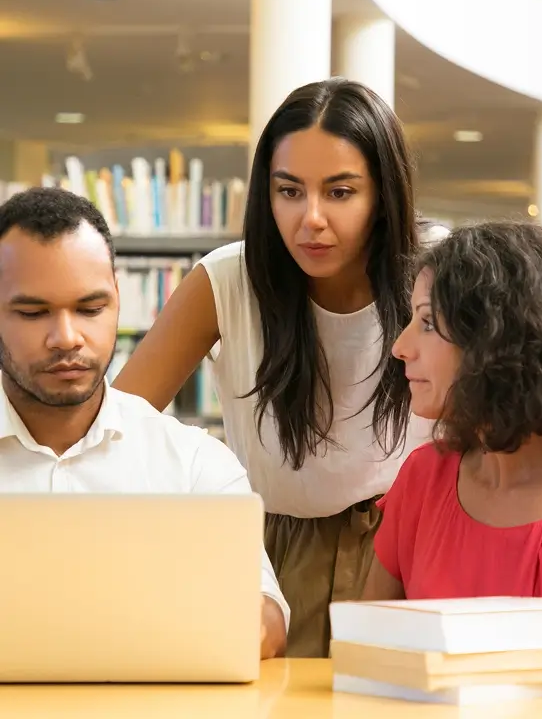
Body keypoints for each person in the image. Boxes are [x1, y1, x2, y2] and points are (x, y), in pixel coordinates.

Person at [113, 77, 435, 657]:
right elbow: (117, 427)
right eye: (289, 191)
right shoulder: (226, 281)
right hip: (270, 556)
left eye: (340, 193)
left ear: (384, 194)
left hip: (410, 547)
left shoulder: (436, 277)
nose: (310, 218)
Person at [0, 186, 289, 659]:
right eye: (33, 313)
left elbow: (265, 620)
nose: (67, 337)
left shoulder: (192, 464)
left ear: (118, 300)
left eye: (91, 309)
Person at [364, 221, 542, 602]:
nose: (400, 347)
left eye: (427, 322)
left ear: (500, 337)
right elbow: (366, 650)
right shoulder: (422, 480)